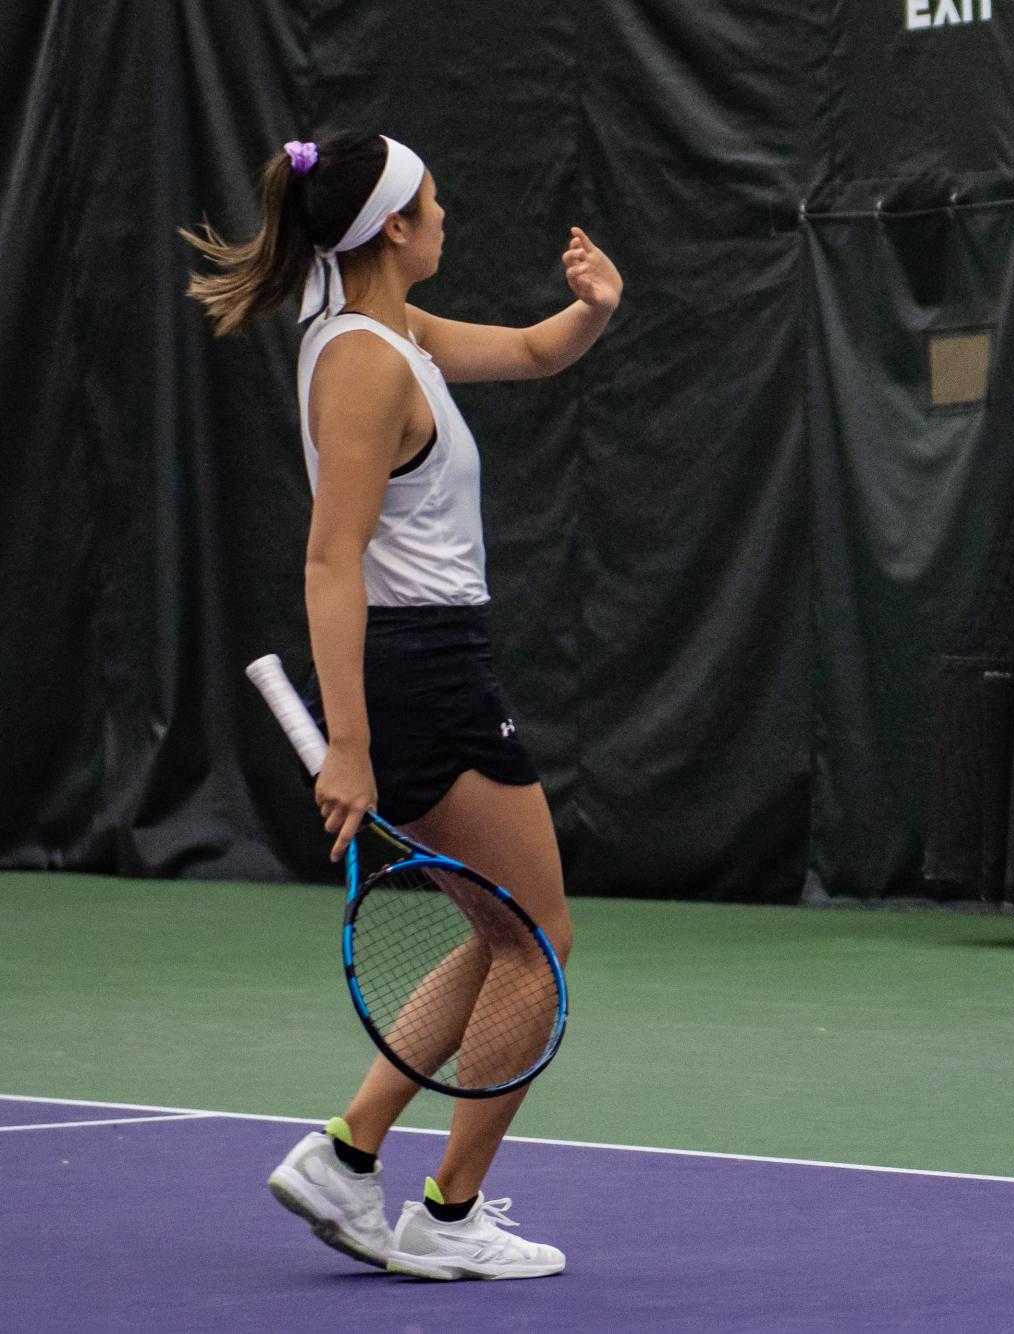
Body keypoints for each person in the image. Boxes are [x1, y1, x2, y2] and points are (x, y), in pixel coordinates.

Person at [183, 132, 622, 1276]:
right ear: (392, 229)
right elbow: (333, 559)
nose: (446, 213)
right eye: (433, 201)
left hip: (429, 663)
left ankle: (348, 1154)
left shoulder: (387, 335)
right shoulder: (366, 362)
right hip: (421, 670)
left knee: (499, 927)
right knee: (541, 937)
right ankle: (449, 1209)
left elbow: (531, 349)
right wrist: (351, 746)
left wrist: (594, 310)